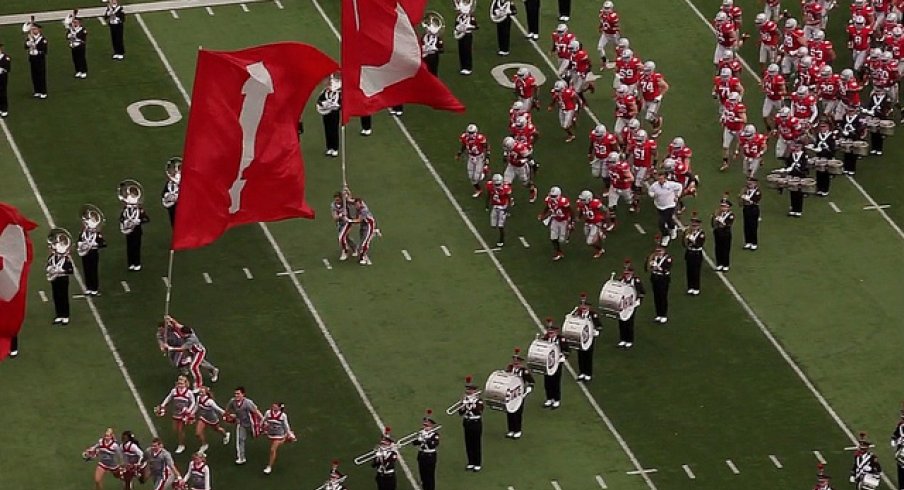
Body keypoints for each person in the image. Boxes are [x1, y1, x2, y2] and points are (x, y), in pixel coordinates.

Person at [164, 318, 220, 391]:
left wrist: (170, 348)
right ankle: (213, 370)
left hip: (198, 352)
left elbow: (181, 349)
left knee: (193, 367)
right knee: (202, 364)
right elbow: (177, 324)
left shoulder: (191, 340)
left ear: (186, 334)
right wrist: (170, 319)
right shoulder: (187, 330)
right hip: (192, 352)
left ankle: (198, 385)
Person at [154, 375, 197, 455]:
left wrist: (188, 411)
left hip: (183, 414)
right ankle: (181, 441)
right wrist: (163, 405)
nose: (180, 385)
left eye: (182, 383)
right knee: (175, 429)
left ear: (185, 384)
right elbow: (168, 398)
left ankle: (181, 445)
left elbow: (193, 402)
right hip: (175, 412)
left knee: (180, 430)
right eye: (179, 383)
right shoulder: (174, 391)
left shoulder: (189, 392)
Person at [223, 386, 264, 465]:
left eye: (238, 394)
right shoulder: (232, 401)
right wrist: (227, 416)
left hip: (251, 424)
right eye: (235, 394)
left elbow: (256, 411)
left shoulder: (248, 403)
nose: (236, 395)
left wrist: (263, 420)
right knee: (240, 440)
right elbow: (227, 409)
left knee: (255, 435)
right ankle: (241, 457)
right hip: (241, 424)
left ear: (243, 394)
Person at [570, 293, 601, 380]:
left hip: (589, 337)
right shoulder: (577, 314)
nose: (583, 309)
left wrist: (596, 331)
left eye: (585, 308)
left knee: (588, 355)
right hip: (580, 337)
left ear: (588, 308)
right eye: (582, 307)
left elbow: (599, 325)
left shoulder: (592, 315)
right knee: (580, 354)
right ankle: (582, 372)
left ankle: (588, 373)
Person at [119, 184, 149, 271]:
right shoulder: (126, 210)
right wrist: (124, 222)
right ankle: (130, 263)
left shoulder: (139, 210)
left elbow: (147, 219)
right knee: (129, 246)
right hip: (128, 230)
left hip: (137, 231)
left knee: (136, 246)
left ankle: (137, 263)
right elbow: (121, 218)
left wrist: (138, 221)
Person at [537, 186, 573, 261]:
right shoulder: (549, 200)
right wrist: (543, 214)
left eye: (554, 196)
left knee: (562, 240)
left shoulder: (563, 202)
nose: (552, 197)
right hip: (555, 219)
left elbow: (571, 211)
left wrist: (571, 222)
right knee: (553, 237)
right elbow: (547, 206)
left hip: (564, 220)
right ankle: (559, 252)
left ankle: (568, 232)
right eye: (551, 196)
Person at [77, 206, 106, 296]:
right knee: (86, 270)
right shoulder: (83, 232)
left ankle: (94, 288)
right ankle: (88, 288)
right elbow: (79, 240)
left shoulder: (97, 234)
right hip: (85, 253)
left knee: (93, 270)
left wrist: (94, 245)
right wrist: (80, 245)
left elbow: (103, 244)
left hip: (93, 253)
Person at [505, 349, 534, 438]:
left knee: (517, 412)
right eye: (514, 361)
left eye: (517, 361)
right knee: (509, 411)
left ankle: (517, 430)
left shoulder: (524, 371)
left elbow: (531, 381)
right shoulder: (510, 369)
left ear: (520, 363)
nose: (515, 363)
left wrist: (529, 388)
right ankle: (511, 429)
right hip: (510, 394)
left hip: (519, 394)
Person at [46, 230, 73, 325]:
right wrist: (50, 270)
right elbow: (48, 266)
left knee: (63, 296)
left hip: (63, 279)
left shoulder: (66, 259)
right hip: (55, 279)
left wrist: (60, 271)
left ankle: (65, 315)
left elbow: (70, 271)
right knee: (56, 296)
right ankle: (59, 315)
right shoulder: (51, 258)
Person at [648, 172, 682, 246]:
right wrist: (653, 195)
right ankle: (673, 228)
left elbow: (680, 186)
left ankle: (666, 235)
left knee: (661, 222)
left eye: (662, 178)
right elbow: (650, 191)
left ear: (665, 178)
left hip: (669, 206)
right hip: (659, 206)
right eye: (659, 178)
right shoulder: (655, 185)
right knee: (669, 220)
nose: (660, 180)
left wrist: (677, 196)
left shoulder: (671, 185)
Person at [193, 386, 230, 453]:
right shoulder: (198, 398)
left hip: (212, 419)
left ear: (206, 393)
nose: (200, 393)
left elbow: (218, 409)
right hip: (203, 418)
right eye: (200, 392)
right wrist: (191, 413)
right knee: (198, 433)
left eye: (202, 392)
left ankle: (226, 435)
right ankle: (204, 445)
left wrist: (225, 414)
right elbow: (196, 407)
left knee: (217, 429)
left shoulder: (210, 401)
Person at [457, 376, 483, 471]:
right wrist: (463, 405)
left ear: (474, 391)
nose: (468, 391)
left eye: (470, 389)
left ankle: (477, 463)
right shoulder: (464, 400)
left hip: (475, 422)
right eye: (467, 389)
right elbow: (460, 413)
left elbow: (478, 411)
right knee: (468, 443)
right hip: (467, 422)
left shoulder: (478, 401)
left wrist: (471, 404)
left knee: (476, 443)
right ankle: (471, 462)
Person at [616, 259, 644, 348]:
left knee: (629, 321)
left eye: (628, 273)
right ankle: (623, 339)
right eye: (625, 273)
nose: (626, 275)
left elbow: (642, 292)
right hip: (622, 304)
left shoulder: (636, 281)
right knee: (621, 321)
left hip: (631, 304)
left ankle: (629, 340)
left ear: (632, 273)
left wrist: (638, 301)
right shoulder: (621, 280)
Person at [541, 318, 568, 408]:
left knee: (555, 381)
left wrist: (563, 357)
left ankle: (556, 399)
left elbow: (567, 350)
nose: (551, 335)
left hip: (557, 363)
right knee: (547, 381)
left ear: (556, 333)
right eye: (549, 333)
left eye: (552, 333)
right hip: (547, 363)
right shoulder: (545, 339)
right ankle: (549, 398)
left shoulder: (561, 339)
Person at [457, 124, 490, 198]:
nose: (470, 134)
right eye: (469, 132)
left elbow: (487, 147)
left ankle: (484, 171)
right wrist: (459, 154)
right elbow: (464, 146)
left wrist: (487, 158)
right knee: (470, 176)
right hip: (471, 157)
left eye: (472, 132)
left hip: (479, 158)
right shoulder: (464, 137)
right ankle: (478, 190)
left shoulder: (480, 138)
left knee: (476, 177)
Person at [262, 402, 295, 474]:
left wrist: (289, 433)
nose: (273, 407)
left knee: (272, 450)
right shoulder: (268, 412)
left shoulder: (283, 416)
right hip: (270, 433)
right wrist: (262, 427)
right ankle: (285, 439)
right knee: (275, 444)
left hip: (279, 435)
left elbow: (286, 426)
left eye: (275, 406)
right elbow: (264, 420)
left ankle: (269, 466)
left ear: (279, 408)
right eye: (273, 406)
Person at [411, 410, 440, 490]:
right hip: (421, 455)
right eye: (424, 425)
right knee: (423, 475)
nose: (425, 427)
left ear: (431, 426)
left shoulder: (435, 435)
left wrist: (426, 439)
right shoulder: (421, 432)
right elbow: (414, 443)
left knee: (429, 476)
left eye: (427, 426)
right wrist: (419, 439)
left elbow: (433, 445)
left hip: (430, 456)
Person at [645, 240, 672, 324]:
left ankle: (663, 314)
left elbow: (667, 269)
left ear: (664, 251)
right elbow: (647, 268)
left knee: (663, 296)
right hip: (655, 278)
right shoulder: (654, 257)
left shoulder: (668, 259)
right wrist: (649, 263)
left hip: (663, 278)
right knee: (656, 296)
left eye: (660, 251)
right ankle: (658, 314)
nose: (658, 253)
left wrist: (657, 267)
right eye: (657, 251)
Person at [808, 120, 837, 196]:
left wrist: (824, 151)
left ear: (828, 127)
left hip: (827, 157)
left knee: (825, 174)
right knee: (819, 173)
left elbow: (833, 148)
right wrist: (813, 147)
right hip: (819, 157)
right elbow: (817, 144)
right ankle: (819, 188)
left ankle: (825, 190)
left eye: (824, 126)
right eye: (821, 126)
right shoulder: (819, 135)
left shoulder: (831, 135)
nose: (822, 128)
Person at [576, 190, 607, 258]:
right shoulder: (581, 203)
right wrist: (579, 217)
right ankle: (599, 233)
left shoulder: (595, 203)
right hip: (588, 222)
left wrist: (605, 222)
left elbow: (605, 210)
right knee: (587, 235)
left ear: (589, 199)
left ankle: (600, 250)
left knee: (589, 242)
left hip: (596, 223)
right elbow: (582, 209)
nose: (581, 200)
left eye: (583, 199)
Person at [347, 197, 377, 266]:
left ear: (361, 203)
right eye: (355, 205)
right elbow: (350, 199)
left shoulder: (364, 210)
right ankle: (373, 233)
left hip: (369, 225)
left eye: (357, 205)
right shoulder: (358, 204)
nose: (356, 206)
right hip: (364, 224)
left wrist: (349, 220)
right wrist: (346, 193)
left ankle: (362, 257)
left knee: (365, 242)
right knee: (362, 239)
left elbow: (359, 220)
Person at [316, 75, 341, 156]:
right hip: (326, 113)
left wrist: (335, 106)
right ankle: (329, 147)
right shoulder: (324, 93)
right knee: (327, 129)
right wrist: (323, 104)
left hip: (334, 113)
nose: (328, 86)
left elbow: (340, 103)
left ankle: (335, 148)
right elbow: (319, 101)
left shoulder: (337, 93)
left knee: (334, 130)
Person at [485, 173, 512, 247]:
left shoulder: (505, 188)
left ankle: (501, 240)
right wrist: (487, 205)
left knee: (501, 226)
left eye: (498, 184)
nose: (497, 186)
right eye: (496, 184)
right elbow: (488, 195)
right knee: (493, 225)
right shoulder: (490, 186)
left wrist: (508, 209)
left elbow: (509, 199)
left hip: (502, 208)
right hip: (495, 206)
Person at [782, 142, 808, 217]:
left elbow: (805, 165)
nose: (796, 148)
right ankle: (793, 208)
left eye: (798, 147)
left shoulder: (803, 155)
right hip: (792, 175)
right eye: (795, 147)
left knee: (799, 193)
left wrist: (799, 168)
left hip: (800, 175)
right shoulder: (791, 154)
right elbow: (788, 163)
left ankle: (798, 210)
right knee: (792, 192)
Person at [683, 212, 705, 295]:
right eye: (693, 225)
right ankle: (690, 287)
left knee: (696, 271)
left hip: (696, 253)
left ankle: (696, 287)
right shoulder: (689, 232)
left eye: (695, 226)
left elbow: (699, 244)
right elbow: (684, 243)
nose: (694, 227)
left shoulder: (701, 234)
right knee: (689, 270)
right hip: (689, 252)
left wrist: (692, 240)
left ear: (699, 226)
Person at [711, 194, 734, 271]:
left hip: (725, 233)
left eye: (725, 206)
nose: (723, 208)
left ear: (728, 207)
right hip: (718, 232)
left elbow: (727, 224)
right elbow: (713, 223)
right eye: (722, 206)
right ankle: (719, 263)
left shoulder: (730, 215)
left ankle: (725, 264)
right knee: (718, 248)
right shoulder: (717, 213)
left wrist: (720, 220)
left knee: (725, 249)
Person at [24, 22, 48, 99]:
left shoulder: (42, 39)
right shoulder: (30, 37)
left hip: (39, 59)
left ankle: (43, 91)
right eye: (32, 29)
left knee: (41, 74)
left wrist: (35, 45)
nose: (34, 30)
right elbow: (25, 46)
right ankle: (37, 91)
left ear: (39, 30)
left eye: (35, 29)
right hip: (32, 58)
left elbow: (44, 50)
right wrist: (29, 43)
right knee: (34, 75)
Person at [332, 190, 357, 261]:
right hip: (340, 224)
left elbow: (351, 198)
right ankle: (354, 248)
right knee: (346, 237)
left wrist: (347, 191)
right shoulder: (333, 205)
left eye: (338, 199)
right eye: (335, 200)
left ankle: (345, 251)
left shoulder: (345, 202)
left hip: (347, 222)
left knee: (341, 238)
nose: (337, 201)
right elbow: (335, 217)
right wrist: (341, 215)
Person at [454, 3, 477, 75]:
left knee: (467, 50)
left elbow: (475, 26)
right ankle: (463, 67)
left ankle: (468, 67)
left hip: (467, 34)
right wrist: (458, 28)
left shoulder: (471, 17)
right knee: (461, 50)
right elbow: (456, 25)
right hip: (460, 35)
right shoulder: (459, 18)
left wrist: (467, 27)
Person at [739, 177, 762, 250]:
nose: (749, 185)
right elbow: (742, 199)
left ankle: (754, 243)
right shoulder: (746, 190)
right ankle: (748, 242)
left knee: (753, 226)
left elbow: (754, 200)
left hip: (753, 209)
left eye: (751, 184)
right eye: (748, 184)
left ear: (755, 183)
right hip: (746, 209)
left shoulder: (757, 192)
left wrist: (745, 198)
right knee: (746, 225)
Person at [65, 14, 88, 79]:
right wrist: (69, 35)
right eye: (74, 22)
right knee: (75, 59)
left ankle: (84, 71)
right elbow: (67, 36)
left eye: (76, 22)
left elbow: (81, 36)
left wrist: (73, 34)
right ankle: (78, 70)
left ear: (79, 23)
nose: (75, 23)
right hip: (73, 45)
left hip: (80, 45)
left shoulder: (82, 29)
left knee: (81, 58)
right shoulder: (71, 29)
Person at [161, 157, 181, 227]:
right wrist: (168, 196)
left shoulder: (184, 184)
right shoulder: (169, 184)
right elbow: (163, 193)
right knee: (174, 223)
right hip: (172, 207)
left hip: (181, 208)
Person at [890, 408, 904, 489]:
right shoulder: (900, 425)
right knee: (901, 471)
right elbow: (895, 434)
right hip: (901, 451)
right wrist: (893, 440)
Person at [0, 44, 9, 117]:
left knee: (2, 93)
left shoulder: (6, 57)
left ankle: (4, 109)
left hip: (2, 78)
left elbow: (7, 68)